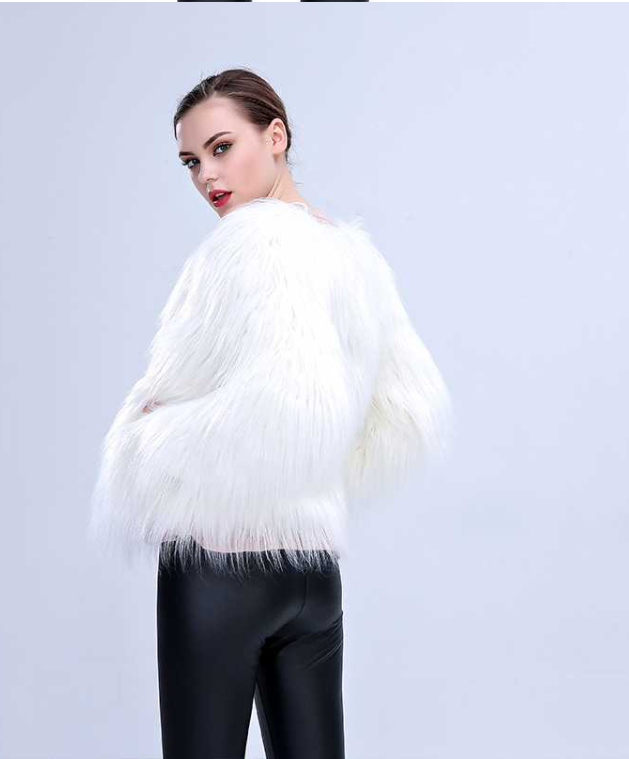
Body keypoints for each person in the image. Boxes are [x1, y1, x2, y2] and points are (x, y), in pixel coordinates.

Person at [89, 68, 453, 759]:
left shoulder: (246, 244)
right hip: (312, 573)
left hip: (222, 567)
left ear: (276, 135)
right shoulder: (353, 255)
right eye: (191, 161)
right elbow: (407, 410)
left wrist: (147, 434)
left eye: (222, 148)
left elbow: (275, 410)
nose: (206, 175)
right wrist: (316, 469)